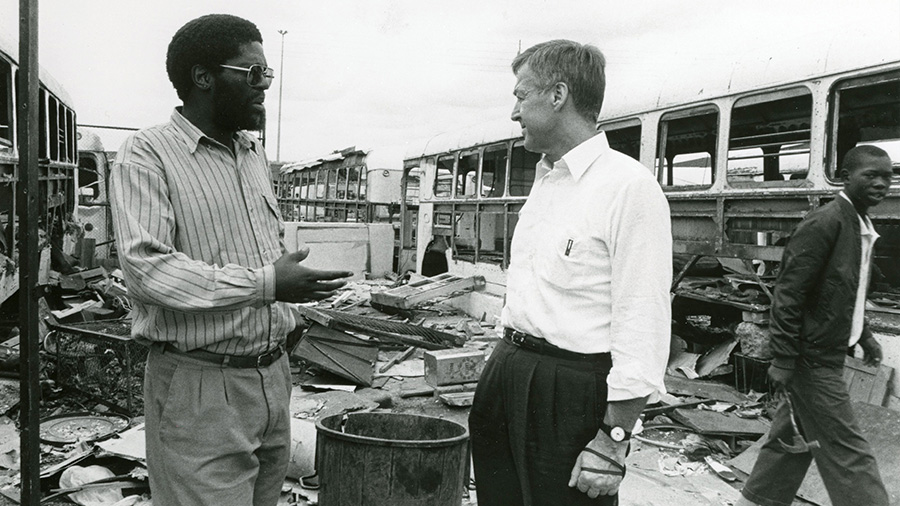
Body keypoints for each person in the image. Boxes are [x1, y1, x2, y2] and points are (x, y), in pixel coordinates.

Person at [109, 14, 352, 506]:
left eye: (267, 75)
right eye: (252, 73)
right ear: (203, 77)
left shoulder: (251, 154)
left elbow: (259, 252)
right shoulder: (146, 154)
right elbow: (147, 270)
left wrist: (287, 302)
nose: (262, 86)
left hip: (272, 378)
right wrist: (268, 284)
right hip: (200, 388)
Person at [468, 39, 673, 506]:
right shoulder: (546, 181)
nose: (514, 112)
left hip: (570, 391)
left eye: (521, 96)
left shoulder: (628, 189)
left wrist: (614, 439)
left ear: (557, 95)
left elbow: (643, 321)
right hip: (508, 371)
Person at [737, 145, 892, 506]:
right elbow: (788, 295)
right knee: (850, 453)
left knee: (792, 440)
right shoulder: (826, 222)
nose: (882, 183)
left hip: (825, 353)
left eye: (888, 176)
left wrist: (864, 335)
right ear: (845, 177)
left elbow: (843, 292)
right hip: (812, 360)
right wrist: (785, 359)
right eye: (871, 175)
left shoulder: (858, 223)